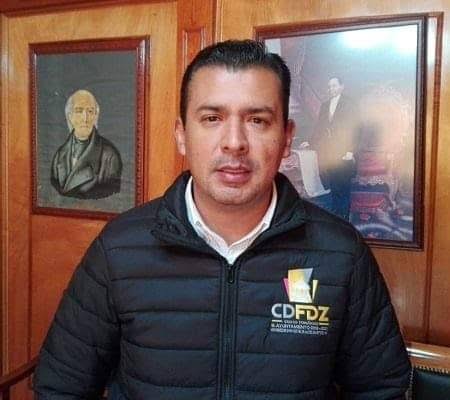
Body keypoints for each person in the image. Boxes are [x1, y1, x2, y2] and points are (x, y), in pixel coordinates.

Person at [34, 40, 410, 399]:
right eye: (212, 118)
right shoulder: (119, 249)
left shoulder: (341, 254)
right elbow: (61, 387)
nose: (234, 142)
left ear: (286, 138)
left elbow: (380, 390)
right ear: (182, 135)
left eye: (257, 120)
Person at [302, 77, 358, 220]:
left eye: (334, 86)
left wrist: (350, 151)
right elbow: (319, 127)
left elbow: (355, 128)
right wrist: (309, 141)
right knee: (333, 184)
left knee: (343, 185)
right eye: (330, 86)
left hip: (344, 150)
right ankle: (336, 217)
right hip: (329, 151)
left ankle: (344, 217)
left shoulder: (350, 104)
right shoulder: (325, 105)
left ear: (342, 86)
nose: (331, 89)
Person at [51, 89, 122, 199]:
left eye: (90, 111)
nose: (85, 119)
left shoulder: (110, 157)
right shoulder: (59, 155)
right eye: (79, 111)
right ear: (70, 116)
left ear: (96, 116)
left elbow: (112, 200)